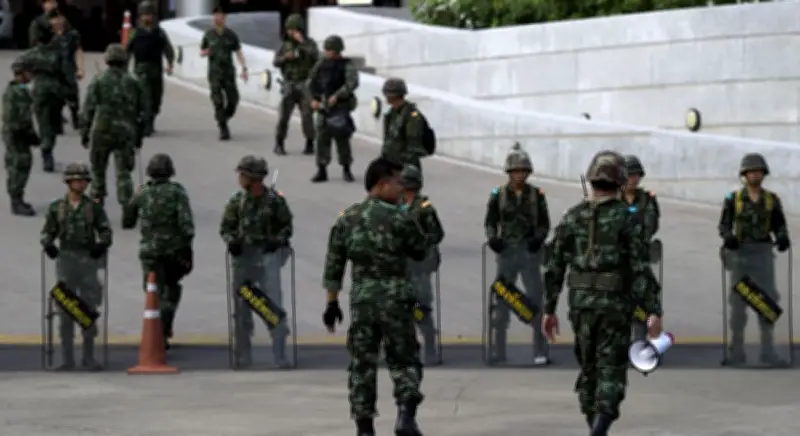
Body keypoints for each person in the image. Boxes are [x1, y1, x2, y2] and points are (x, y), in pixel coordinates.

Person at [543, 150, 663, 436]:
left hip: (581, 306)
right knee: (610, 370)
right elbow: (639, 268)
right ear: (619, 181)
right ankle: (598, 431)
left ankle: (595, 429)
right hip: (613, 307)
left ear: (592, 180)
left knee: (589, 371)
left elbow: (554, 265)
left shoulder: (573, 216)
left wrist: (549, 309)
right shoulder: (627, 219)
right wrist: (653, 310)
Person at [322, 157, 427, 436]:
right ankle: (405, 415)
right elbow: (420, 249)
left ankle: (364, 427)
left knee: (362, 365)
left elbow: (334, 266)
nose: (401, 188)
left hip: (363, 303)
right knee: (404, 359)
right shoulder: (401, 217)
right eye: (397, 183)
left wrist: (332, 303)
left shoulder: (347, 218)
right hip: (396, 300)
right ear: (381, 184)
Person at [220, 156, 293, 368]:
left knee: (272, 308)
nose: (240, 178)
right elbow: (226, 228)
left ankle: (279, 354)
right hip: (244, 262)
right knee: (242, 310)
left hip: (267, 261)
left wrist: (276, 241)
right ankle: (243, 356)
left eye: (243, 175)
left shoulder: (275, 201)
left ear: (253, 178)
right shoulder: (236, 201)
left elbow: (286, 227)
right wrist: (231, 241)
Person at [718, 153, 790, 367]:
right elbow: (724, 225)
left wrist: (783, 237)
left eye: (758, 171)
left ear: (764, 174)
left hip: (763, 257)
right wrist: (728, 237)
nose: (755, 175)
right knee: (738, 307)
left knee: (766, 304)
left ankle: (768, 351)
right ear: (745, 174)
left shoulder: (771, 200)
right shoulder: (733, 199)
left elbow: (779, 224)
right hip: (740, 257)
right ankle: (736, 351)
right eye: (751, 172)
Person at [40, 162, 113, 371]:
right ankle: (67, 358)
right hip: (66, 260)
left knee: (88, 309)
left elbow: (106, 231)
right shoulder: (57, 207)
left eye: (83, 181)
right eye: (77, 181)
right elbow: (47, 232)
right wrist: (48, 245)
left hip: (87, 260)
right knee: (66, 309)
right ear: (69, 182)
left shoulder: (93, 207)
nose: (81, 184)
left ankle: (88, 357)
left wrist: (102, 244)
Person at [483, 143, 551, 365]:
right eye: (515, 171)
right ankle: (498, 349)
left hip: (530, 255)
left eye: (523, 171)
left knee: (536, 301)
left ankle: (540, 349)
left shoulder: (536, 195)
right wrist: (493, 238)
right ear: (509, 173)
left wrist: (538, 239)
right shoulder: (498, 195)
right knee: (501, 301)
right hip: (507, 255)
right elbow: (490, 221)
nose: (519, 175)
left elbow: (544, 223)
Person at [122, 153, 194, 350]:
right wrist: (186, 250)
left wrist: (134, 199)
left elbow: (127, 222)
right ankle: (163, 329)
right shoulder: (178, 192)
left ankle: (154, 331)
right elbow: (187, 226)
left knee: (153, 293)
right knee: (171, 291)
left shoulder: (142, 193)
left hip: (149, 252)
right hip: (173, 251)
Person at [80, 43, 144, 210]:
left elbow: (88, 108)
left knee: (98, 170)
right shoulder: (133, 82)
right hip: (125, 132)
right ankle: (127, 205)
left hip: (101, 130)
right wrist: (139, 136)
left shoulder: (99, 80)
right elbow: (142, 111)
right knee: (124, 172)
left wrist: (84, 132)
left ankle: (96, 203)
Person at [400, 164, 445, 365]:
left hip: (419, 267)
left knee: (421, 308)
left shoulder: (424, 208)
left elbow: (437, 234)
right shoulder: (397, 206)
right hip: (401, 267)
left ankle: (430, 350)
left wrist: (420, 242)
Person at [306, 34, 358, 183]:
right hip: (323, 106)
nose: (326, 52)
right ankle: (322, 170)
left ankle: (346, 169)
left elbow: (351, 83)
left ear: (337, 51)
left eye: (329, 50)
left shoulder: (347, 65)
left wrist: (338, 96)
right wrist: (312, 99)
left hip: (339, 108)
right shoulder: (321, 63)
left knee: (342, 139)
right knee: (321, 139)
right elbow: (310, 81)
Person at [622, 155, 661, 341]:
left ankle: (639, 344)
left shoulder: (647, 199)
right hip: (617, 260)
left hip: (639, 260)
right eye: (629, 175)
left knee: (643, 303)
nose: (633, 179)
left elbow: (650, 226)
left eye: (636, 175)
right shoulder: (612, 199)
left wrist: (634, 236)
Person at [200, 5, 248, 141]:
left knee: (233, 99)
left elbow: (238, 52)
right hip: (215, 73)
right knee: (218, 100)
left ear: (225, 18)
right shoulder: (208, 34)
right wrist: (205, 52)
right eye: (215, 15)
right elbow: (202, 51)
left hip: (228, 72)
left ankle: (224, 117)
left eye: (220, 15)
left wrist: (244, 68)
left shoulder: (231, 35)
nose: (217, 18)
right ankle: (223, 127)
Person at [126, 1, 175, 137]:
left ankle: (151, 120)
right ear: (140, 16)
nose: (147, 17)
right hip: (141, 69)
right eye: (144, 15)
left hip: (156, 69)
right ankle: (146, 124)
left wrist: (170, 63)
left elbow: (168, 48)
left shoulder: (159, 33)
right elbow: (127, 50)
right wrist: (123, 68)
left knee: (156, 99)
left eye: (149, 14)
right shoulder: (135, 33)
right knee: (145, 98)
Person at [272, 13, 318, 156]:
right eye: (289, 30)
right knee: (284, 116)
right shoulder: (285, 46)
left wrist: (302, 43)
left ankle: (310, 142)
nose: (291, 33)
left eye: (293, 30)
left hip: (305, 84)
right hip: (289, 83)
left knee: (307, 116)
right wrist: (286, 57)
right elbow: (275, 62)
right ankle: (279, 143)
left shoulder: (309, 44)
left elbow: (317, 57)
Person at [25, 23, 66, 173]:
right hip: (56, 91)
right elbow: (66, 72)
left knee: (44, 123)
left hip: (40, 91)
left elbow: (19, 67)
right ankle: (48, 148)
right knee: (53, 124)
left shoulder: (32, 53)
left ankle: (46, 151)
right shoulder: (57, 53)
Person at [2, 58, 40, 216]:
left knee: (17, 164)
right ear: (21, 73)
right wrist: (29, 134)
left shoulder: (16, 89)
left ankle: (17, 197)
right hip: (17, 133)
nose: (32, 76)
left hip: (14, 132)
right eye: (29, 72)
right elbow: (19, 118)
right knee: (20, 165)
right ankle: (16, 200)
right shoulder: (17, 93)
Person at [381, 78, 430, 174]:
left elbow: (413, 147)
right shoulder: (392, 113)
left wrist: (405, 168)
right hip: (391, 164)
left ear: (393, 96)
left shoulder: (412, 116)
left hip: (405, 167)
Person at [50, 9, 84, 130]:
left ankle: (76, 120)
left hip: (69, 71)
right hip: (53, 72)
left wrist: (80, 68)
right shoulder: (48, 35)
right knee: (55, 100)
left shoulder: (72, 34)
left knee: (73, 98)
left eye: (60, 18)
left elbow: (78, 51)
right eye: (54, 18)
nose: (57, 21)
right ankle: (57, 123)